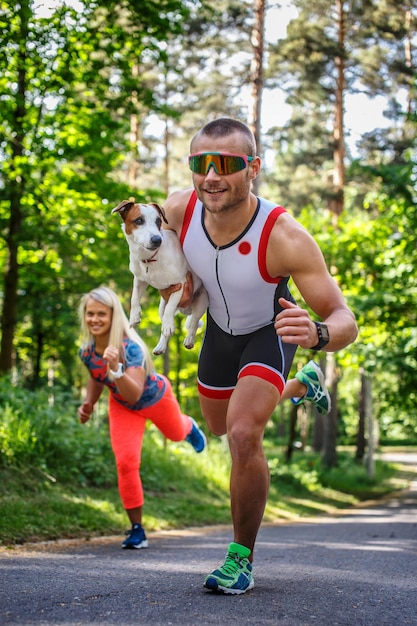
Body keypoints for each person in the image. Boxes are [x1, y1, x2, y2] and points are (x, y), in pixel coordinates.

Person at [162, 118, 358, 594]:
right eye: (201, 164)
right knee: (220, 426)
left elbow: (343, 319)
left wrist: (314, 332)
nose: (211, 176)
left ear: (253, 169)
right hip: (218, 334)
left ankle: (239, 559)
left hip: (272, 330)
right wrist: (176, 285)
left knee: (244, 435)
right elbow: (162, 261)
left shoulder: (283, 235)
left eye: (226, 164)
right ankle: (302, 385)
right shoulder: (176, 209)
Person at [77, 286, 207, 550]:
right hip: (122, 406)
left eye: (101, 313)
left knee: (175, 434)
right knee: (125, 463)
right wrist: (89, 403)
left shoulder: (131, 348)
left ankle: (188, 425)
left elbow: (134, 393)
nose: (95, 319)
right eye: (90, 314)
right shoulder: (88, 352)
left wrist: (115, 368)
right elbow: (95, 376)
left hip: (156, 398)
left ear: (114, 316)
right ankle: (137, 528)